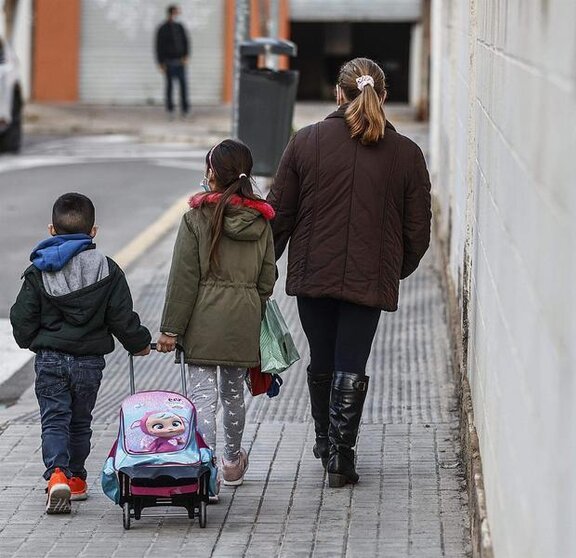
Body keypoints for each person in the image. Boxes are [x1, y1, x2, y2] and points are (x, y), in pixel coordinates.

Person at [268, 58, 432, 488]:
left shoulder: (305, 142)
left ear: (338, 94)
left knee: (321, 359)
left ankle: (325, 442)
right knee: (351, 363)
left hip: (313, 275)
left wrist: (263, 268)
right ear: (384, 95)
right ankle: (342, 454)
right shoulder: (406, 154)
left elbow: (279, 215)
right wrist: (393, 269)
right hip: (369, 277)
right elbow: (418, 230)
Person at [10, 193, 151, 514]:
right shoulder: (108, 270)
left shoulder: (39, 271)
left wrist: (34, 339)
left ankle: (57, 474)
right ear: (93, 232)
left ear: (51, 229)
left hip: (50, 358)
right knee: (80, 422)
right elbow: (122, 317)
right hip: (89, 362)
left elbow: (22, 319)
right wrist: (139, 343)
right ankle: (76, 480)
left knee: (54, 419)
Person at [156, 140, 276, 492]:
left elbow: (183, 279)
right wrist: (251, 303)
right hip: (243, 320)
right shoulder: (261, 221)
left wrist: (170, 330)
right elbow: (268, 279)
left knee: (202, 398)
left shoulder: (195, 219)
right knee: (233, 394)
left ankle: (205, 472)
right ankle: (232, 461)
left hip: (202, 322)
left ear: (212, 173)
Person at [155, 4, 190, 118]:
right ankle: (170, 109)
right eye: (176, 13)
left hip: (180, 62)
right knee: (170, 87)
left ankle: (185, 109)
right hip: (169, 62)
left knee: (183, 86)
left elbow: (186, 42)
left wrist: (186, 56)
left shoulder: (180, 27)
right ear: (171, 13)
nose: (178, 15)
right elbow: (158, 46)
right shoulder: (163, 28)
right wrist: (160, 63)